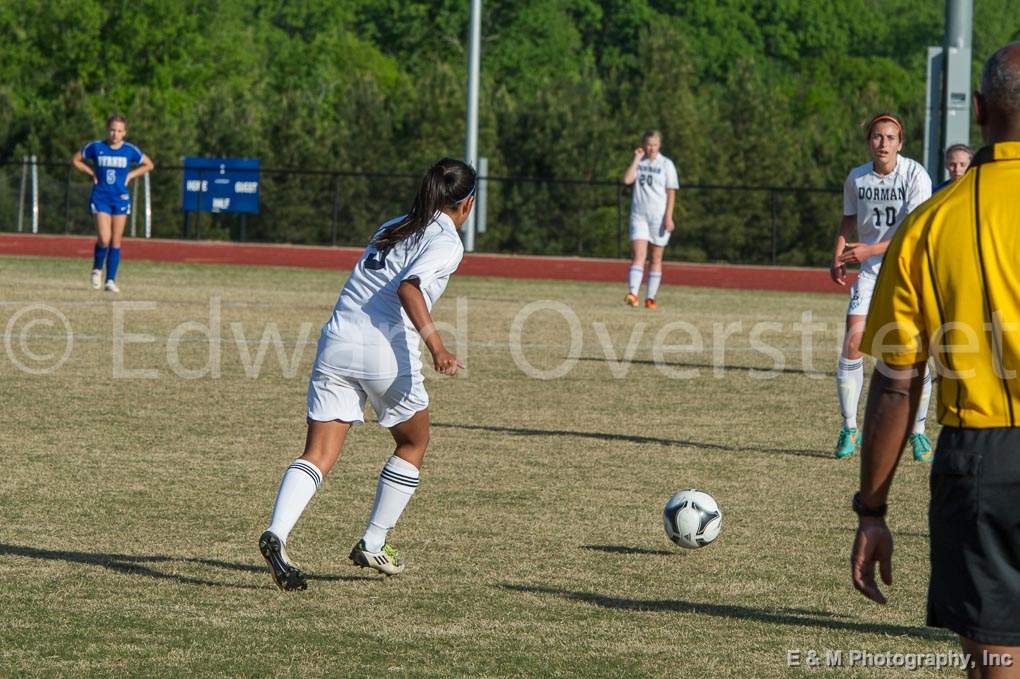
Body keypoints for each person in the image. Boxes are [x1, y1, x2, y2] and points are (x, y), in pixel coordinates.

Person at [850, 43, 1020, 678]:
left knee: (998, 659)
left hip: (983, 462)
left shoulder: (930, 224)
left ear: (978, 111)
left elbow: (897, 386)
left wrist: (872, 509)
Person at [259, 157, 473, 590]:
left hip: (337, 340)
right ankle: (373, 542)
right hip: (383, 350)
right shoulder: (447, 240)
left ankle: (277, 534)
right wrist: (438, 347)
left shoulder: (394, 224)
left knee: (318, 454)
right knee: (414, 441)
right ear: (466, 204)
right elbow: (409, 287)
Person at [830, 113, 933, 461]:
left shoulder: (915, 175)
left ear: (900, 143)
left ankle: (918, 432)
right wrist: (838, 253)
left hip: (908, 272)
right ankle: (849, 428)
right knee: (853, 341)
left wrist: (867, 249)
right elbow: (848, 217)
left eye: (890, 138)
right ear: (869, 142)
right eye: (877, 137)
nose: (883, 143)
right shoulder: (857, 177)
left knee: (915, 351)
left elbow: (913, 232)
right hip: (872, 272)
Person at [71, 115, 154, 293]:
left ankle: (110, 280)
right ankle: (97, 269)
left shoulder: (130, 150)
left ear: (124, 132)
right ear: (107, 130)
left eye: (119, 131)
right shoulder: (96, 147)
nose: (115, 134)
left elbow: (149, 164)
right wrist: (91, 172)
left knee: (116, 240)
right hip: (101, 197)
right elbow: (75, 160)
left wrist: (131, 175)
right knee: (104, 238)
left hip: (120, 198)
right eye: (112, 129)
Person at [622, 130, 679, 309]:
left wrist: (668, 217)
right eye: (648, 144)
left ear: (659, 145)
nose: (651, 148)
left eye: (654, 145)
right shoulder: (640, 162)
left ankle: (650, 298)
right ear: (643, 144)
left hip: (658, 217)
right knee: (638, 255)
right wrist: (636, 159)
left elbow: (671, 192)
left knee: (655, 258)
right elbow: (627, 180)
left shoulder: (666, 164)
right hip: (639, 215)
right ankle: (633, 294)